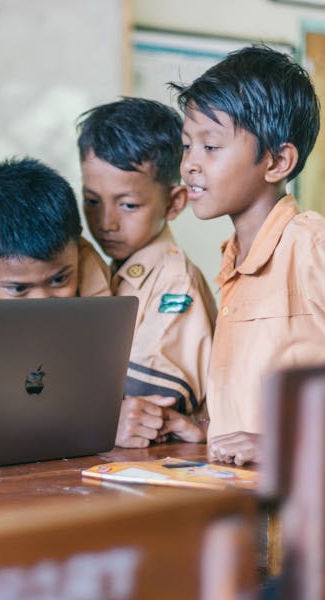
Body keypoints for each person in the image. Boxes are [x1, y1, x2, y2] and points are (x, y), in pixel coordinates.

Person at [174, 46, 325, 582]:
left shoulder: (310, 247)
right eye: (187, 145)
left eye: (210, 146)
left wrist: (285, 441)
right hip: (258, 542)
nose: (189, 162)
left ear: (278, 162)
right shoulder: (234, 262)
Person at [76, 98, 217, 448]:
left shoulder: (174, 282)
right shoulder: (101, 270)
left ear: (174, 202)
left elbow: (146, 410)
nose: (106, 222)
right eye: (92, 201)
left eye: (128, 205)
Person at [0, 157, 111, 300]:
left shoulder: (96, 280)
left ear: (78, 247)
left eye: (59, 279)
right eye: (18, 289)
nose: (42, 301)